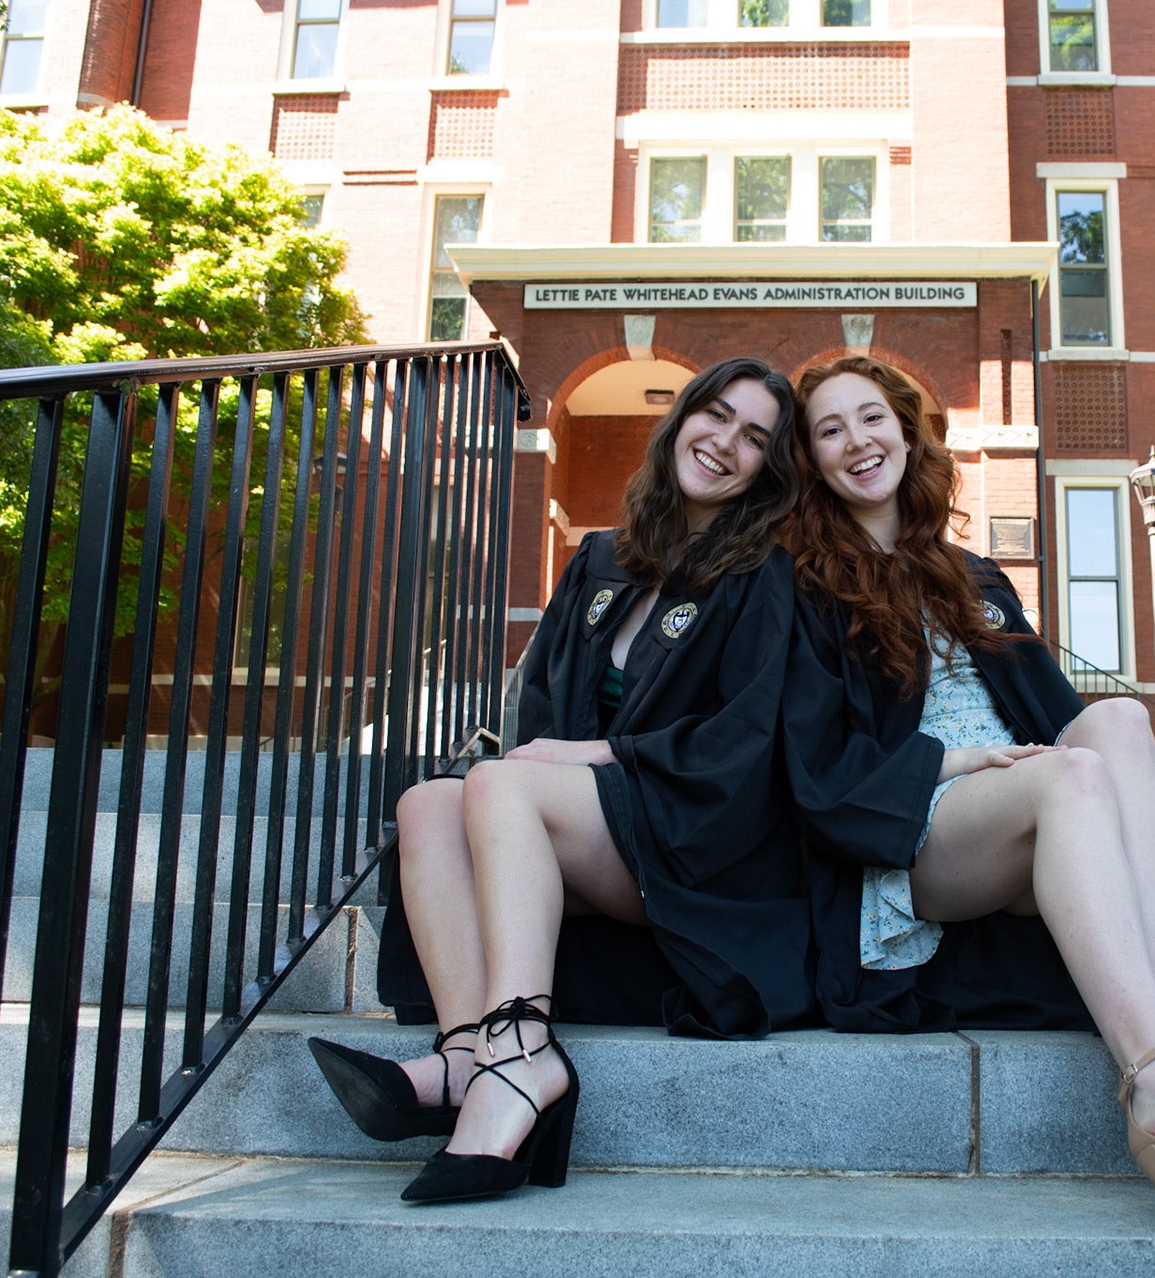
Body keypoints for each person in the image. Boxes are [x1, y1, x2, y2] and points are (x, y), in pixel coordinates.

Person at [781, 356, 1155, 1232]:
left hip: (1022, 805)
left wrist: (1043, 765)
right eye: (830, 429)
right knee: (1069, 772)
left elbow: (1054, 716)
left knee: (1116, 722)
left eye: (872, 417)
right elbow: (811, 760)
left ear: (907, 432)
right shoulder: (801, 584)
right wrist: (962, 763)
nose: (858, 440)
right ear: (810, 459)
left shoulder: (973, 579)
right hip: (909, 833)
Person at [307, 356, 814, 1203]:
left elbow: (746, 737)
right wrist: (549, 765)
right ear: (682, 417)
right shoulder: (602, 560)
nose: (726, 442)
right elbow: (539, 710)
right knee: (428, 804)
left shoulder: (761, 574)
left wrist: (596, 756)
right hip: (585, 824)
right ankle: (466, 1056)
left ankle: (523, 1054)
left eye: (755, 437)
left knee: (499, 785)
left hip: (691, 837)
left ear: (769, 468)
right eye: (716, 414)